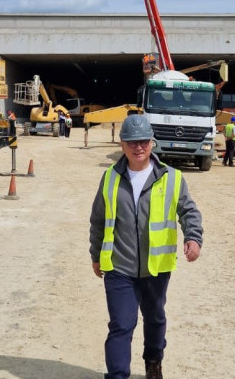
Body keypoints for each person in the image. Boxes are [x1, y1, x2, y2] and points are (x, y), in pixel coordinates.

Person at [89, 114, 203, 379]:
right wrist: (95, 255)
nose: (138, 147)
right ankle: (117, 375)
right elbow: (98, 220)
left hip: (156, 269)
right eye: (132, 142)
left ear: (152, 142)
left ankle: (153, 362)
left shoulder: (172, 178)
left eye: (143, 141)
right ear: (122, 144)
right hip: (119, 267)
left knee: (154, 319)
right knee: (121, 324)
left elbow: (189, 211)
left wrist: (193, 237)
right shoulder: (110, 178)